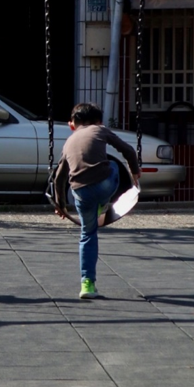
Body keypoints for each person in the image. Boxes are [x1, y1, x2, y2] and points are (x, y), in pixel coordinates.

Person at [51, 102, 143, 300]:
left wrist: (61, 206)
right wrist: (135, 174)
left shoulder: (69, 141)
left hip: (79, 193)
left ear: (72, 124)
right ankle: (104, 200)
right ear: (99, 121)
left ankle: (87, 284)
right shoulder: (100, 130)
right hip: (103, 185)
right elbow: (128, 151)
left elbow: (59, 177)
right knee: (114, 166)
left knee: (87, 234)